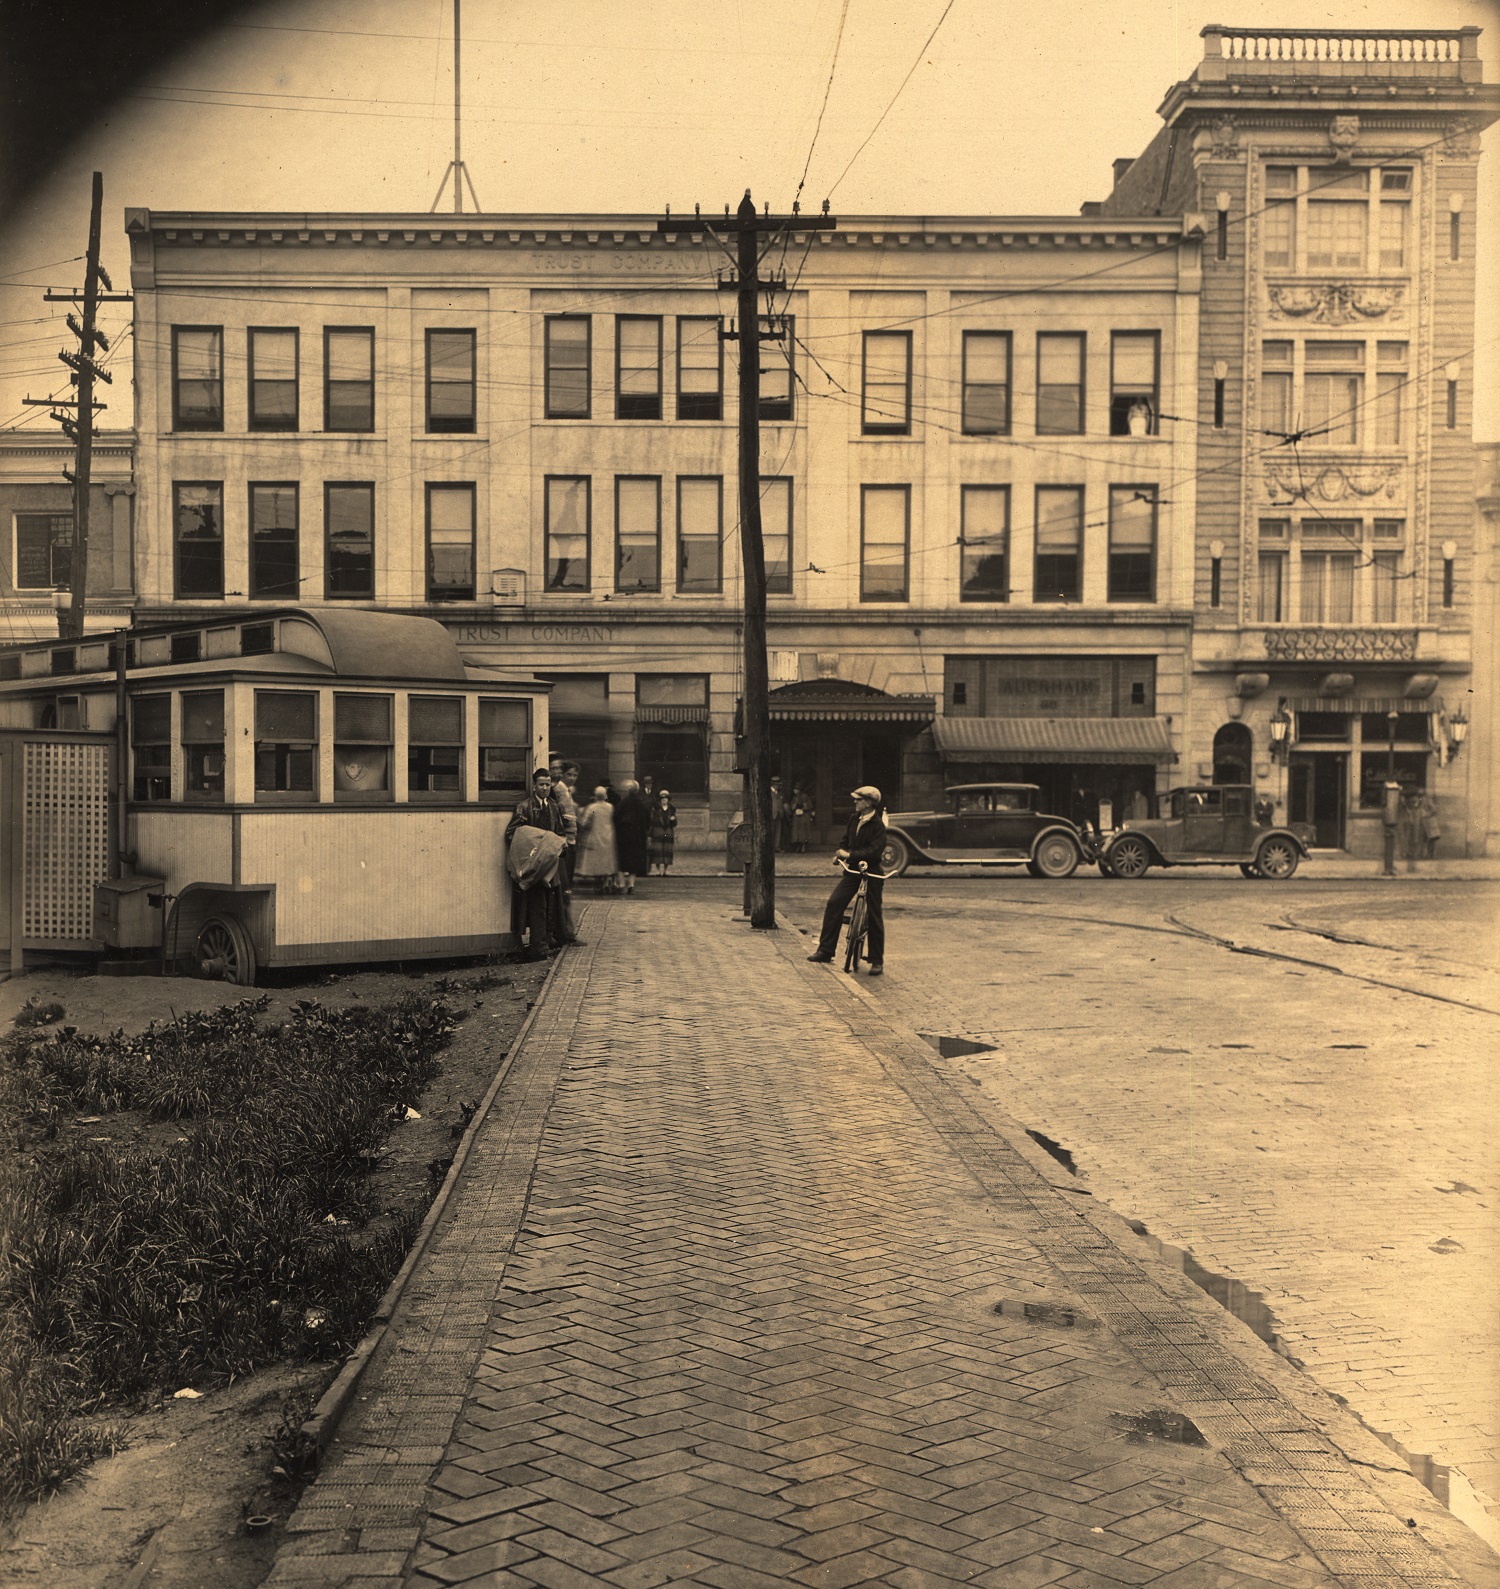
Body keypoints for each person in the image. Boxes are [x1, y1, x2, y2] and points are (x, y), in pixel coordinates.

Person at [807, 785, 888, 975]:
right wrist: (840, 854)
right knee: (834, 903)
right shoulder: (854, 819)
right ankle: (826, 951)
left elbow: (874, 852)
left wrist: (849, 855)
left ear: (868, 803)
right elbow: (845, 842)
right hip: (853, 871)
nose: (855, 802)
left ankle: (877, 961)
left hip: (872, 872)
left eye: (858, 799)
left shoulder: (878, 826)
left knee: (874, 914)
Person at [504, 768, 572, 960]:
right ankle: (537, 947)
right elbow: (513, 834)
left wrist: (559, 845)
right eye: (541, 784)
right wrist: (535, 846)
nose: (544, 788)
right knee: (537, 905)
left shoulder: (553, 806)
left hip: (551, 863)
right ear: (534, 786)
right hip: (535, 865)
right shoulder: (524, 807)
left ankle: (548, 940)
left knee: (552, 903)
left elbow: (560, 831)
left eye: (547, 784)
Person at [576, 784, 621, 893]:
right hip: (609, 836)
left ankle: (599, 885)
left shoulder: (592, 807)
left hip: (595, 836)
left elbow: (584, 822)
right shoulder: (610, 807)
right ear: (605, 796)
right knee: (607, 862)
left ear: (595, 796)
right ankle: (606, 883)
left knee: (596, 862)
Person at [614, 779, 651, 895]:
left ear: (627, 790)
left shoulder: (622, 803)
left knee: (621, 860)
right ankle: (631, 885)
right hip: (638, 837)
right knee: (634, 862)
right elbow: (647, 820)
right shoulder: (641, 803)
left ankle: (621, 884)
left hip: (623, 836)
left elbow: (616, 818)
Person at [648, 788, 678, 875]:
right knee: (658, 852)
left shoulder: (672, 809)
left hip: (668, 833)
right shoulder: (655, 809)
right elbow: (652, 822)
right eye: (662, 799)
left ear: (668, 800)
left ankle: (665, 870)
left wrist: (673, 820)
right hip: (657, 832)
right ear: (660, 800)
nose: (664, 800)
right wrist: (650, 834)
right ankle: (658, 870)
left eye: (666, 799)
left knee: (667, 852)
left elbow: (675, 824)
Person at [1417, 791, 1441, 859]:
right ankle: (1425, 854)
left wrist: (1426, 814)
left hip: (1430, 822)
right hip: (1425, 823)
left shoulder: (1427, 801)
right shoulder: (1420, 802)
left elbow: (1434, 810)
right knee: (1426, 839)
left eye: (1421, 796)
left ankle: (1431, 855)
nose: (1420, 798)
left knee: (1431, 839)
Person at [790, 785, 813, 852]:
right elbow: (792, 806)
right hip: (796, 816)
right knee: (796, 831)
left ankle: (803, 846)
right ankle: (798, 845)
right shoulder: (794, 797)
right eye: (794, 789)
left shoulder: (805, 796)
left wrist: (803, 807)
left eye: (796, 789)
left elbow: (809, 805)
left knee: (803, 831)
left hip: (804, 815)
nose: (795, 791)